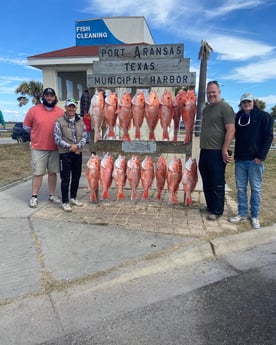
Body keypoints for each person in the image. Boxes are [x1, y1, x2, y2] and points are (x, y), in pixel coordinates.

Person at [229, 93, 273, 229]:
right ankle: (242, 213)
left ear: (253, 102)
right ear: (241, 104)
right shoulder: (238, 116)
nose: (246, 104)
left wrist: (261, 156)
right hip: (241, 159)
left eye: (248, 101)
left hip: (255, 161)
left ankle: (254, 216)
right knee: (241, 188)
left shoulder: (264, 116)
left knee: (255, 189)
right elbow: (232, 133)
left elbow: (268, 137)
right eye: (244, 102)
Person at [199, 80, 235, 220]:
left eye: (213, 92)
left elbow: (231, 129)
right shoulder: (206, 109)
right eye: (209, 93)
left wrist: (224, 149)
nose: (211, 95)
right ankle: (210, 206)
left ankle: (217, 210)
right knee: (206, 180)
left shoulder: (225, 107)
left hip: (217, 151)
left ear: (219, 91)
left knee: (217, 181)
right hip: (205, 150)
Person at [23, 88, 64, 208]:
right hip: (38, 148)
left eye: (51, 96)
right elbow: (26, 126)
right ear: (43, 97)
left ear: (55, 97)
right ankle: (34, 197)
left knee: (52, 173)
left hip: (55, 148)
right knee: (38, 173)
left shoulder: (60, 112)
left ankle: (52, 195)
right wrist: (36, 135)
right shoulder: (34, 110)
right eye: (47, 95)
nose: (49, 98)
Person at [54, 98, 87, 212]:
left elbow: (84, 137)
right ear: (66, 108)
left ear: (76, 108)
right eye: (69, 106)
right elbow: (57, 139)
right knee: (65, 178)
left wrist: (77, 146)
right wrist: (70, 147)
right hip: (65, 154)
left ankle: (73, 197)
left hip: (77, 153)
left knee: (76, 177)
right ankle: (65, 201)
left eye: (73, 107)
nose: (71, 109)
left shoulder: (80, 121)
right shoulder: (59, 121)